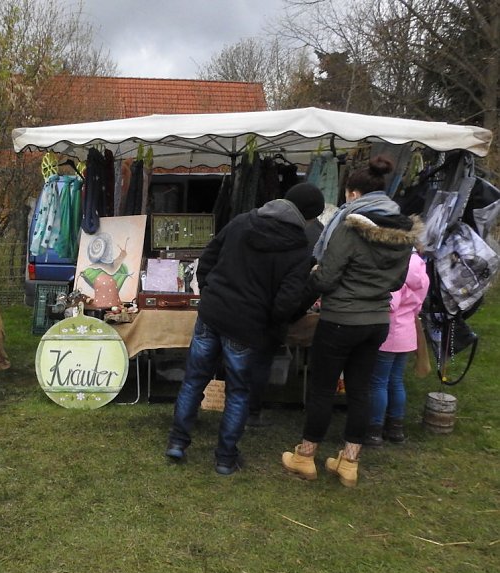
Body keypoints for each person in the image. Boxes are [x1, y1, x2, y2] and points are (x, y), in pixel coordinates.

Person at [165, 182, 325, 474]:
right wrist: (269, 319)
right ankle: (225, 459)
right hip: (247, 325)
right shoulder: (299, 248)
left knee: (194, 379)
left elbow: (208, 258)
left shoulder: (242, 221)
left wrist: (210, 290)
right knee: (238, 392)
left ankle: (178, 442)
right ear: (308, 216)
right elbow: (286, 302)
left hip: (213, 313)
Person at [282, 156, 421, 487]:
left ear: (353, 194)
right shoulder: (402, 231)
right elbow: (396, 282)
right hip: (377, 321)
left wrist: (314, 274)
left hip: (341, 318)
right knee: (360, 391)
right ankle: (349, 463)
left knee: (322, 390)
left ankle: (305, 456)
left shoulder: (349, 225)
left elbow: (327, 277)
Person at [366, 249, 430, 445]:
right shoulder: (420, 267)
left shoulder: (398, 267)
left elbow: (391, 304)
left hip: (391, 332)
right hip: (408, 331)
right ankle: (395, 428)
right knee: (395, 380)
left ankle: (374, 429)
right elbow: (418, 304)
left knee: (378, 382)